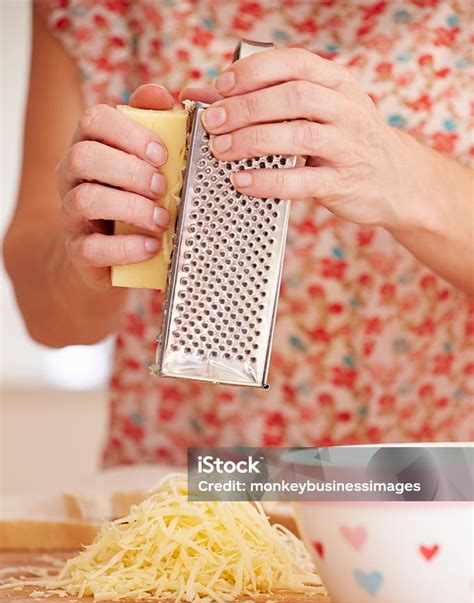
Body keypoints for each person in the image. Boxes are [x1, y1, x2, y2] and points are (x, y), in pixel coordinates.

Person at [4, 1, 473, 466]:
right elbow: (48, 319)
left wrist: (404, 176)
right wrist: (92, 250)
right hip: (201, 476)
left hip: (424, 484)